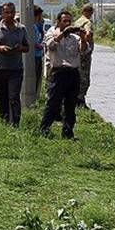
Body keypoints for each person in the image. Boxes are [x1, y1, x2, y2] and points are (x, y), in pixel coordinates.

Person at [40, 10, 88, 139]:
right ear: (58, 22)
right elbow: (51, 45)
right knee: (53, 103)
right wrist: (63, 34)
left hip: (73, 73)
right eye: (64, 21)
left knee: (70, 105)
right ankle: (44, 130)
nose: (67, 23)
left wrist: (83, 38)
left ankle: (68, 133)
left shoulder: (75, 37)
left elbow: (84, 51)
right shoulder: (51, 32)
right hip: (58, 73)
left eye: (69, 21)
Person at [0, 2, 29, 127]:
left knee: (14, 97)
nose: (10, 15)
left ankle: (15, 124)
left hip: (16, 69)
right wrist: (0, 48)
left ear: (15, 13)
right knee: (3, 98)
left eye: (12, 12)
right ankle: (4, 123)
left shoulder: (21, 29)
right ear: (2, 14)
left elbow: (27, 47)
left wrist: (20, 48)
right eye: (7, 12)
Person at [74, 3, 94, 108]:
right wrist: (87, 43)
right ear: (88, 12)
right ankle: (80, 100)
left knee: (77, 74)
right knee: (85, 77)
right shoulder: (87, 22)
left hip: (76, 53)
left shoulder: (77, 22)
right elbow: (88, 34)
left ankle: (76, 98)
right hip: (85, 53)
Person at [33, 5, 45, 96]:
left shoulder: (36, 26)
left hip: (38, 55)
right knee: (35, 78)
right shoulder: (32, 27)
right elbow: (33, 42)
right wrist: (40, 46)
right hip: (34, 56)